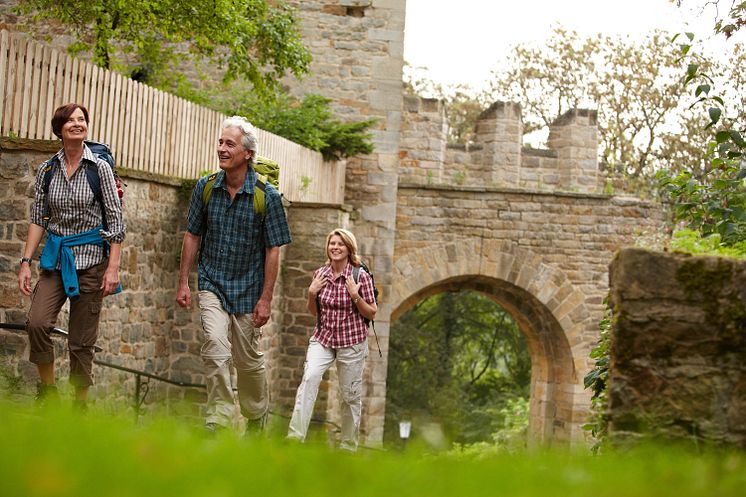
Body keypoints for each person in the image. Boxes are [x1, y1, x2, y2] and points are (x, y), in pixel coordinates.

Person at [176, 116, 291, 434]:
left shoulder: (266, 197)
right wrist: (184, 281)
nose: (221, 149)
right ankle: (219, 416)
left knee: (248, 361)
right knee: (215, 346)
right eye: (220, 142)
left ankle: (256, 414)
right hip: (212, 281)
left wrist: (266, 298)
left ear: (248, 154)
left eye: (230, 144)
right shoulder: (205, 188)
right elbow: (192, 235)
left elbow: (273, 250)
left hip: (249, 289)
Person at [18, 103, 125, 408]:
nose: (78, 124)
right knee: (37, 323)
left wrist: (112, 267)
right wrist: (26, 262)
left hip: (92, 262)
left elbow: (116, 222)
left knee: (81, 341)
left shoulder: (99, 169)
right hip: (56, 260)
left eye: (82, 119)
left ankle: (79, 405)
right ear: (59, 129)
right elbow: (39, 218)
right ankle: (48, 391)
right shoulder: (48, 170)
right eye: (71, 120)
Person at [287, 228, 377, 451]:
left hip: (352, 342)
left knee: (349, 396)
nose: (335, 248)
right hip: (323, 338)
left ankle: (348, 446)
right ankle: (294, 437)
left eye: (340, 244)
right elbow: (314, 312)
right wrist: (311, 293)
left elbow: (372, 312)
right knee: (309, 379)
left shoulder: (359, 275)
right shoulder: (320, 274)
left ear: (349, 249)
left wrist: (355, 295)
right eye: (332, 244)